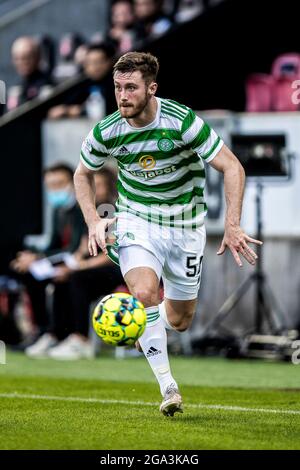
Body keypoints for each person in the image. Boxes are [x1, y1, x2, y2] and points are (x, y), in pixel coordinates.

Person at [74, 51, 262, 416]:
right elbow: (83, 173)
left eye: (131, 87)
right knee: (143, 293)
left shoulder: (181, 121)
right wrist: (94, 220)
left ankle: (147, 325)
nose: (123, 95)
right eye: (117, 87)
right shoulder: (107, 130)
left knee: (179, 320)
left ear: (151, 88)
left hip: (185, 226)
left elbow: (232, 167)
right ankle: (168, 387)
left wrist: (233, 224)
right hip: (137, 221)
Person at [10, 163, 86, 348]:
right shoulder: (57, 210)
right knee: (25, 270)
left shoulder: (82, 208)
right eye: (51, 185)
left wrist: (38, 258)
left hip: (80, 261)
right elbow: (54, 243)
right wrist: (34, 256)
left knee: (62, 276)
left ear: (73, 182)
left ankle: (62, 333)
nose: (55, 190)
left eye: (60, 184)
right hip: (62, 258)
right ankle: (42, 330)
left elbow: (73, 247)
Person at [48, 43, 116, 120]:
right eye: (88, 63)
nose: (93, 67)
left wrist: (82, 111)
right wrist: (66, 109)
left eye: (97, 62)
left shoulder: (117, 85)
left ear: (109, 62)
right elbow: (68, 105)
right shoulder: (83, 84)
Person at [7, 36, 53, 111]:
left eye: (26, 58)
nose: (21, 63)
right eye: (17, 59)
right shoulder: (14, 88)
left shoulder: (47, 85)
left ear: (37, 57)